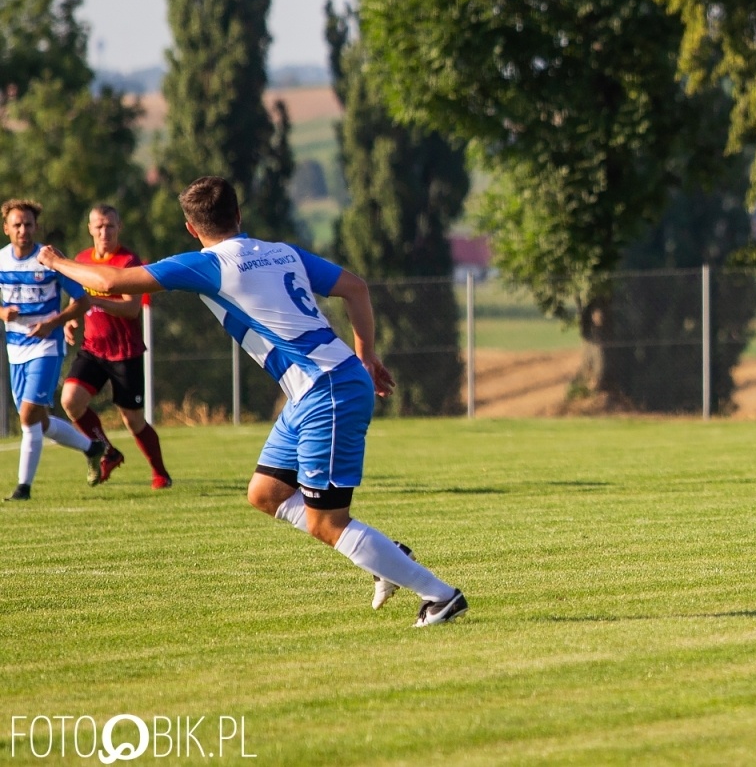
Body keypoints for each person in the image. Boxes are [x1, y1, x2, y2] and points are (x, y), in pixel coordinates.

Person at [39, 177, 467, 627]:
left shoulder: (208, 264)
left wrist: (57, 261)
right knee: (265, 493)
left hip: (328, 389)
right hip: (318, 388)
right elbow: (356, 288)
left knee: (328, 522)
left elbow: (109, 280)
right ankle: (385, 557)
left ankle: (440, 595)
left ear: (191, 228)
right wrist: (366, 357)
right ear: (238, 215)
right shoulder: (283, 251)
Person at [60, 204, 172, 488]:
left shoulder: (127, 262)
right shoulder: (82, 259)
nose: (104, 231)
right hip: (93, 349)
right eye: (98, 226)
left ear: (119, 227)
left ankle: (160, 473)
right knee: (70, 400)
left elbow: (131, 309)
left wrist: (95, 300)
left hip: (125, 352)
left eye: (110, 225)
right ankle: (108, 453)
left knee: (133, 420)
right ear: (90, 229)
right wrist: (70, 321)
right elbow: (77, 297)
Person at [1, 199, 106, 500]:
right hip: (15, 348)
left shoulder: (48, 260)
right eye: (17, 224)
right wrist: (2, 312)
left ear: (36, 227)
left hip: (46, 347)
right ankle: (92, 447)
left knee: (28, 415)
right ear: (6, 228)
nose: (23, 229)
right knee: (38, 422)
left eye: (28, 224)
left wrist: (54, 323)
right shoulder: (1, 261)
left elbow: (83, 301)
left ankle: (23, 488)